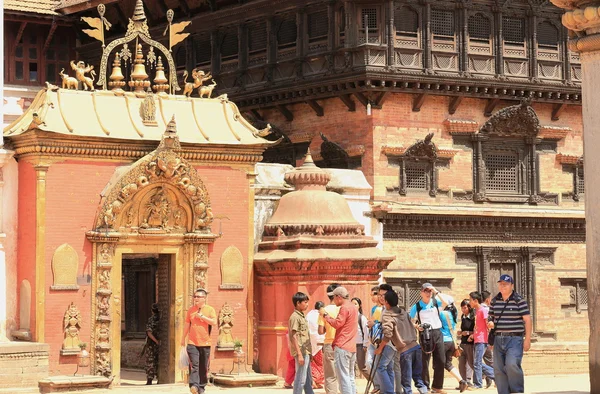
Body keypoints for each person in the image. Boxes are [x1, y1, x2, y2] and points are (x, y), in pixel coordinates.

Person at [487, 275, 532, 394]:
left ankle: (517, 391)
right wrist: (490, 322)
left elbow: (527, 320)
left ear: (512, 286)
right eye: (501, 284)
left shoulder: (519, 300)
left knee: (512, 364)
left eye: (505, 284)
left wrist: (527, 339)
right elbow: (490, 317)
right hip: (498, 338)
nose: (502, 286)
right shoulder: (495, 301)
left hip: (515, 339)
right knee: (499, 368)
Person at [379, 289, 428, 394]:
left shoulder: (387, 315)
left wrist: (379, 349)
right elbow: (411, 324)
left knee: (406, 383)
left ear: (386, 302)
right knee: (418, 379)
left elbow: (387, 335)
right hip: (416, 347)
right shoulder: (404, 312)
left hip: (406, 351)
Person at [409, 283, 451, 394]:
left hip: (437, 332)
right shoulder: (417, 306)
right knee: (424, 361)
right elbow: (409, 320)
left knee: (441, 360)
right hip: (425, 334)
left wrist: (436, 291)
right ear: (421, 292)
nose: (428, 293)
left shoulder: (435, 302)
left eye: (429, 291)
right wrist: (417, 326)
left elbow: (446, 303)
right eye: (426, 291)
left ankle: (437, 386)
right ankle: (425, 386)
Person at [321, 286, 359, 394]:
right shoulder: (353, 307)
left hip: (342, 346)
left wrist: (326, 316)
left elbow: (337, 323)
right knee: (350, 376)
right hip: (352, 347)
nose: (333, 300)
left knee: (343, 377)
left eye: (333, 297)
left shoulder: (344, 308)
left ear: (338, 297)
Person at [181, 288, 217, 394]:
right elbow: (187, 325)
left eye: (198, 296)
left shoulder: (210, 309)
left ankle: (201, 387)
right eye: (194, 296)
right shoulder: (191, 310)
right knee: (194, 365)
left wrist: (202, 317)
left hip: (205, 343)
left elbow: (214, 322)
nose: (195, 298)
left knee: (203, 366)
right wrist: (183, 338)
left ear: (204, 298)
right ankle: (194, 386)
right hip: (192, 343)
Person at [373, 284, 398, 394]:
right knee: (388, 368)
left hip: (389, 343)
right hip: (390, 343)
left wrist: (380, 347)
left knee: (380, 367)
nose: (381, 297)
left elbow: (388, 333)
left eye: (384, 295)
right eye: (380, 295)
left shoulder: (390, 310)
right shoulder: (383, 309)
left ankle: (388, 391)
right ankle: (388, 390)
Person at [439, 303, 469, 392]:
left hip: (443, 342)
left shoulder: (443, 314)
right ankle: (462, 381)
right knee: (448, 364)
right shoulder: (454, 316)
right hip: (451, 342)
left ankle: (438, 386)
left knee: (438, 364)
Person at [289, 292, 315, 394]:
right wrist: (299, 354)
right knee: (300, 379)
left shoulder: (302, 316)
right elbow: (293, 336)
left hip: (306, 351)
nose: (307, 304)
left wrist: (310, 352)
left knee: (308, 380)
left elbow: (305, 336)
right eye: (305, 302)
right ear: (298, 303)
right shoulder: (295, 317)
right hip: (301, 352)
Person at [469, 291, 495, 390]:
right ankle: (496, 376)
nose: (470, 303)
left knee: (477, 363)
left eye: (471, 300)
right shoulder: (477, 311)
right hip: (477, 339)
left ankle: (478, 383)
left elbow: (488, 325)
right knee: (477, 362)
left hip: (482, 339)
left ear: (475, 301)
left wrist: (490, 339)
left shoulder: (483, 310)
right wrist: (473, 335)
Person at [318, 283, 341, 394]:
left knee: (330, 375)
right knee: (345, 373)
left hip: (329, 343)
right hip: (344, 344)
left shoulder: (324, 311)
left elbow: (321, 331)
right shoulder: (345, 309)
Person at [366, 286, 384, 394]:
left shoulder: (385, 308)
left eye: (374, 294)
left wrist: (375, 323)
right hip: (373, 339)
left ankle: (380, 386)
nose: (372, 297)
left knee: (380, 364)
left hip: (382, 340)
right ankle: (377, 384)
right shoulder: (374, 309)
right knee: (369, 362)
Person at [307, 301, 326, 388]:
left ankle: (315, 381)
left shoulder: (308, 315)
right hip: (320, 342)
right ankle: (314, 380)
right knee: (320, 363)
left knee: (312, 362)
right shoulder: (321, 315)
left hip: (310, 342)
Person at [457, 299, 475, 388]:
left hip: (470, 343)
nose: (463, 310)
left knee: (470, 363)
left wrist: (467, 333)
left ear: (469, 307)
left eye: (465, 308)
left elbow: (477, 331)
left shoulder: (473, 318)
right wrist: (461, 332)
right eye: (462, 308)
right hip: (462, 343)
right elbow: (463, 328)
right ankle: (463, 382)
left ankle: (469, 380)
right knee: (461, 363)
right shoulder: (463, 317)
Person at [351, 297, 369, 379]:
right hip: (351, 345)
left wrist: (365, 344)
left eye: (355, 304)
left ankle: (376, 383)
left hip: (360, 344)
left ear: (359, 305)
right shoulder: (350, 317)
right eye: (352, 304)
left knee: (361, 366)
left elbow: (366, 331)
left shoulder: (361, 318)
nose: (353, 305)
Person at [481, 290, 494, 388]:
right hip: (487, 338)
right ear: (487, 299)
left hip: (480, 338)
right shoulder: (488, 310)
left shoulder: (477, 308)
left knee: (478, 360)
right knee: (489, 360)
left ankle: (489, 378)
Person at [145, 303, 160, 385]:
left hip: (152, 344)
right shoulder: (162, 319)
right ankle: (160, 378)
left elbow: (149, 332)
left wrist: (155, 341)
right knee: (159, 361)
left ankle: (149, 380)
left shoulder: (151, 319)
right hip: (161, 344)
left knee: (150, 361)